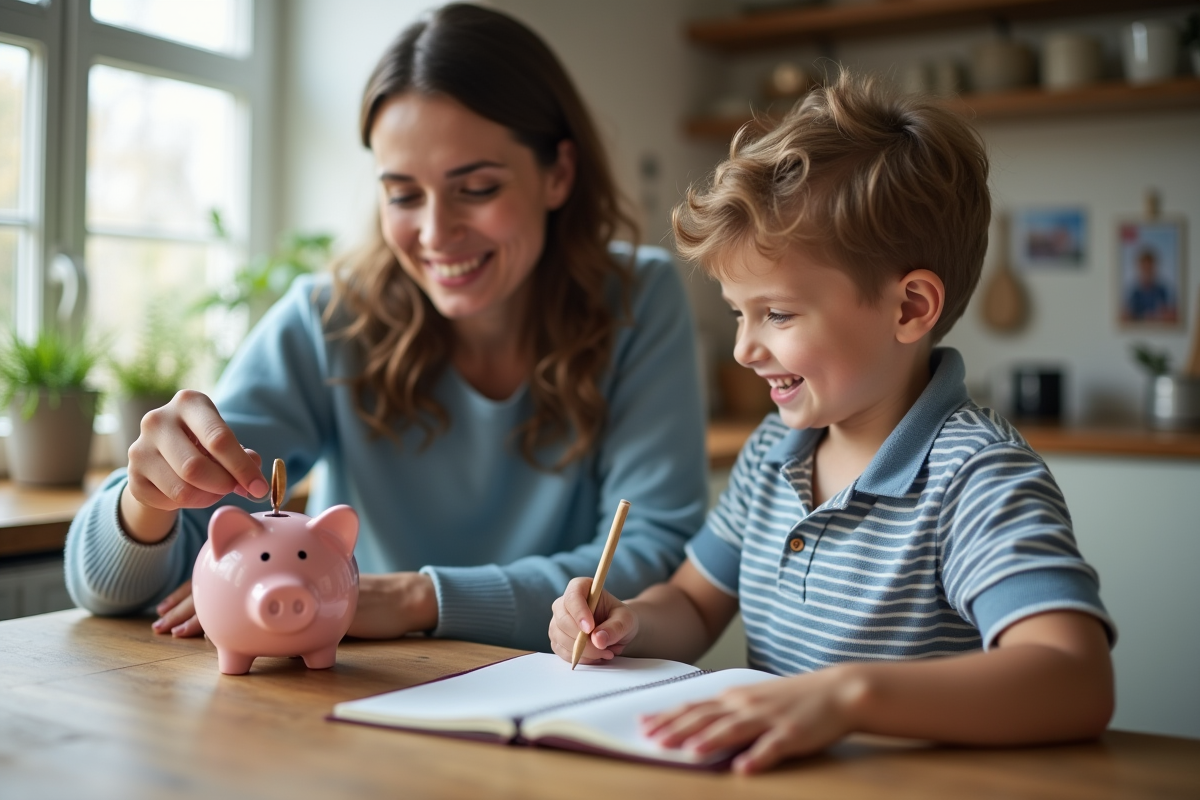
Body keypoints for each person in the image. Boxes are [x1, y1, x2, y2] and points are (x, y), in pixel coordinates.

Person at [65, 3, 708, 652]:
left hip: (560, 702)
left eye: (477, 188)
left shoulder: (637, 301)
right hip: (359, 705)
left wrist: (415, 598)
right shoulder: (327, 319)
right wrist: (147, 505)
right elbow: (108, 590)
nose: (434, 233)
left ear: (558, 174)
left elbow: (652, 562)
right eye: (402, 194)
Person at [548, 73, 1115, 773]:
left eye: (777, 314)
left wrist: (847, 695)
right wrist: (626, 621)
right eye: (737, 312)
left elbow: (1074, 679)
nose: (743, 349)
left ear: (909, 308)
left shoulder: (976, 476)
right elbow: (693, 606)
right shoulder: (772, 452)